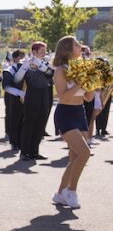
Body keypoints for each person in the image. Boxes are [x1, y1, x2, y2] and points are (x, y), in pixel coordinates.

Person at [50, 36, 93, 209]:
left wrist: (92, 85)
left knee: (75, 157)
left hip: (79, 112)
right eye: (76, 44)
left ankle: (60, 193)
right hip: (65, 114)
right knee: (85, 153)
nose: (80, 46)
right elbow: (63, 96)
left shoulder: (82, 67)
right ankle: (72, 191)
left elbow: (88, 98)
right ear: (67, 49)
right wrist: (79, 83)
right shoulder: (60, 70)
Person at [18, 42, 53, 160]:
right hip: (32, 94)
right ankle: (24, 152)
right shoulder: (26, 64)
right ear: (34, 52)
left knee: (40, 123)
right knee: (29, 123)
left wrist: (41, 65)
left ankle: (34, 151)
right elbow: (17, 79)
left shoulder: (46, 63)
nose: (44, 53)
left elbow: (50, 74)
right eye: (41, 50)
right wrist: (25, 66)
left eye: (45, 50)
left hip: (44, 94)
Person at [2, 50, 26, 151]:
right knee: (14, 119)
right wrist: (20, 93)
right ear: (15, 58)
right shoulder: (9, 70)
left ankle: (22, 142)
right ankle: (14, 142)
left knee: (24, 120)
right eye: (21, 57)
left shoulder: (27, 68)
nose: (23, 59)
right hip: (14, 98)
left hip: (26, 99)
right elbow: (6, 86)